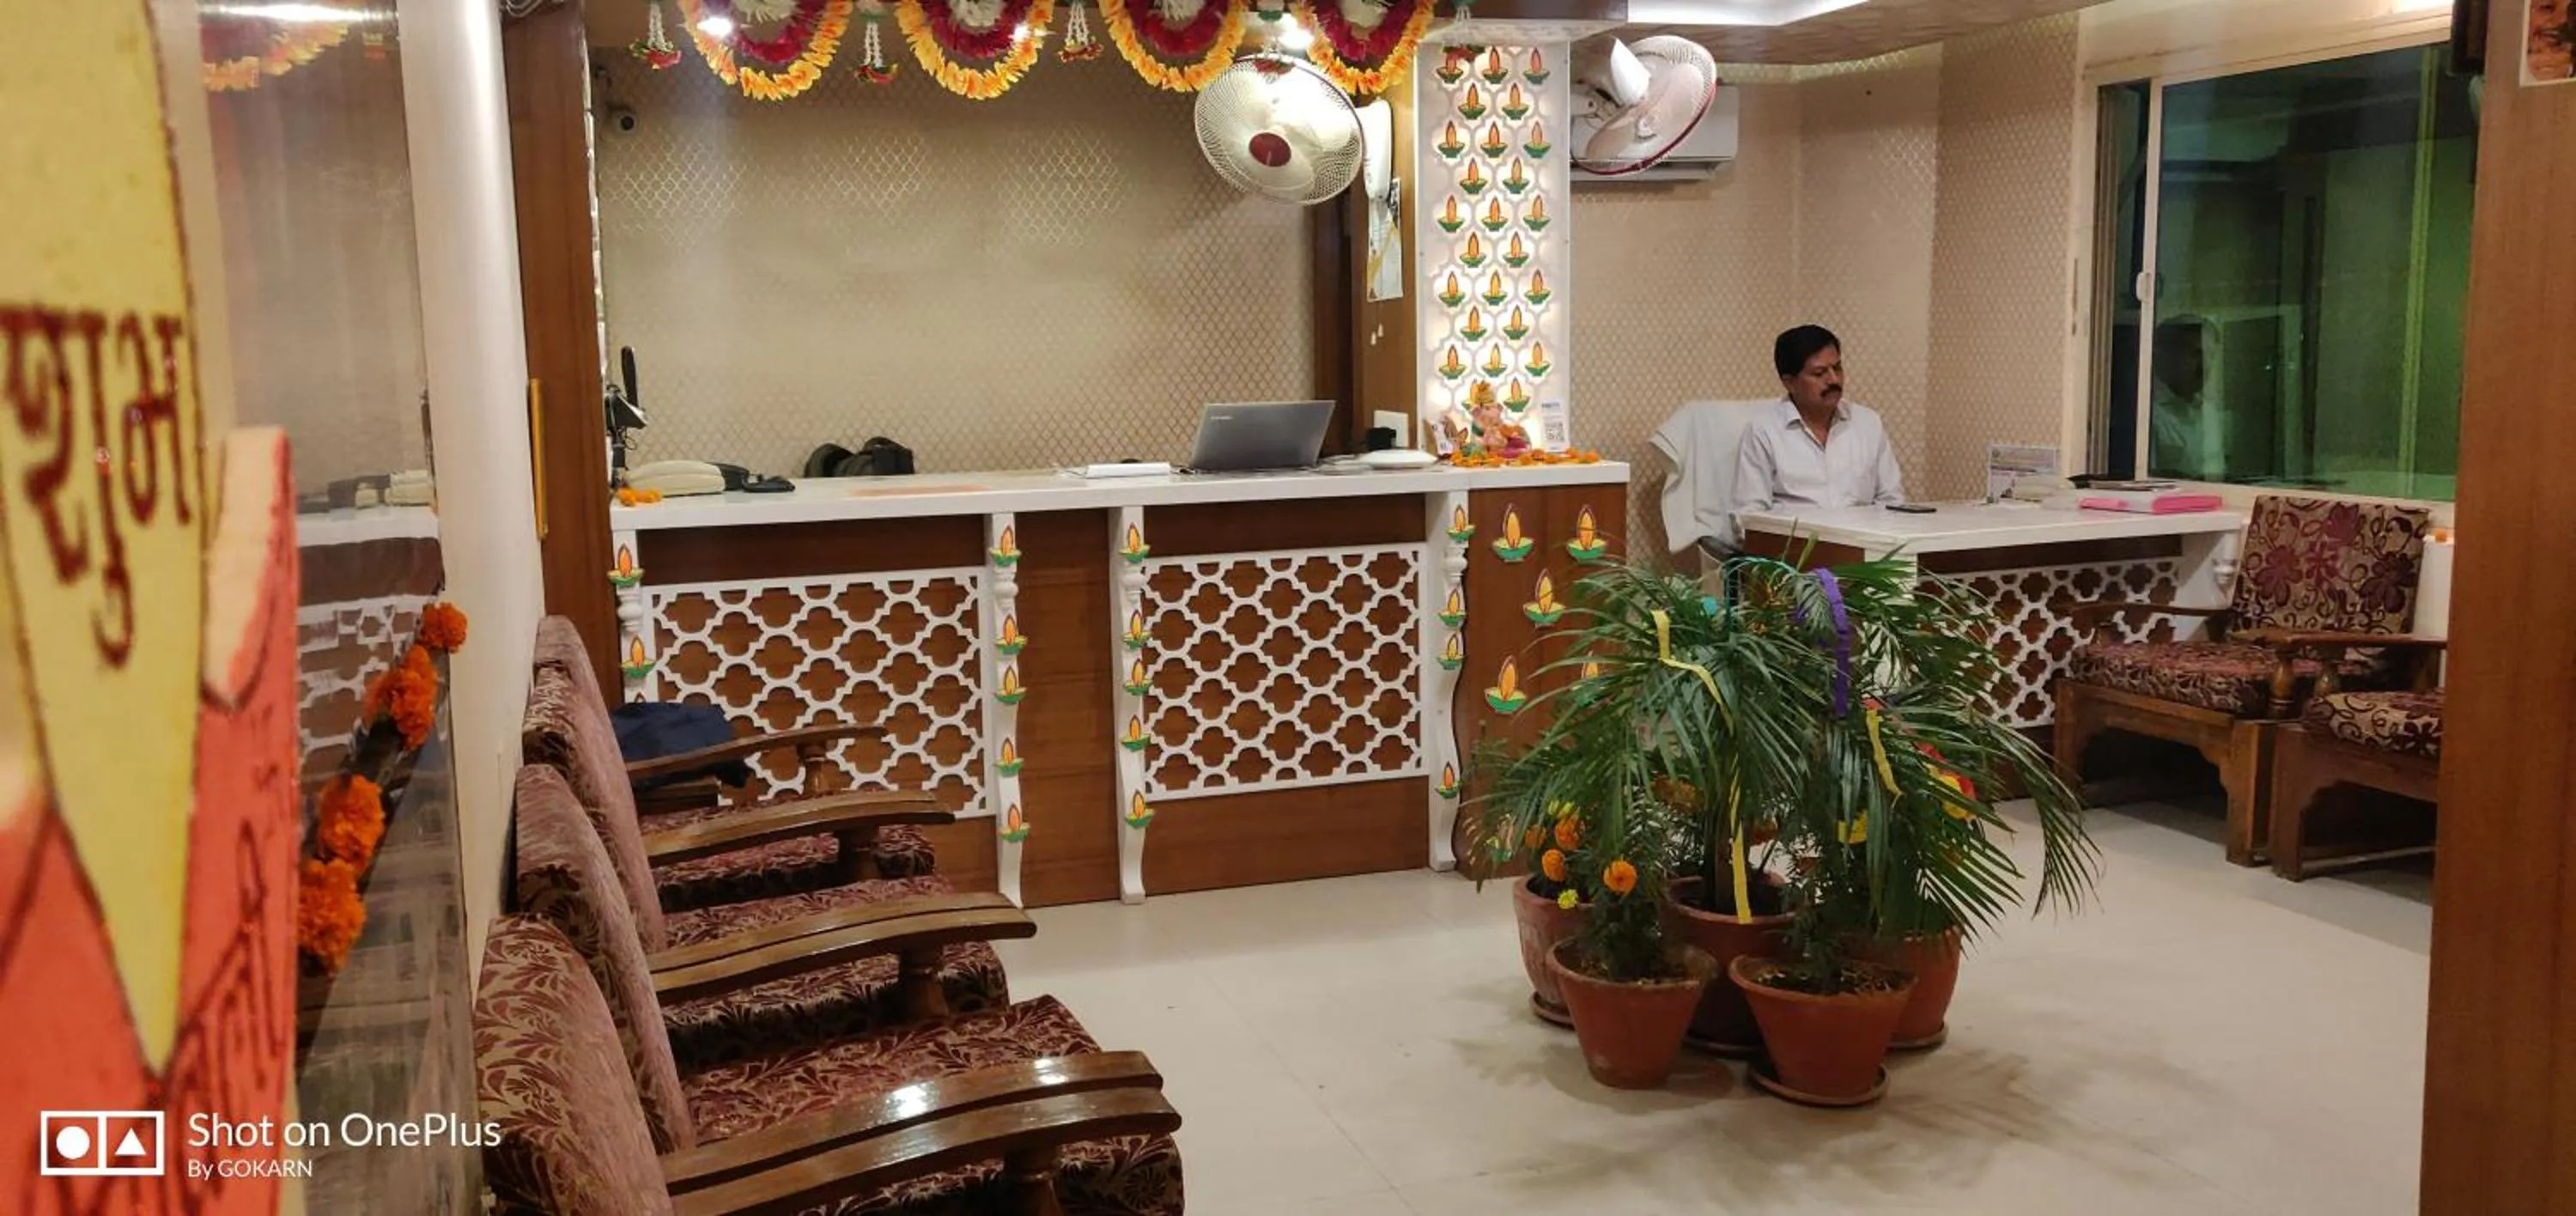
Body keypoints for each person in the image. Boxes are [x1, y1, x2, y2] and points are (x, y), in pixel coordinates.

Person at [1731, 325, 1906, 514]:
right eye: (1819, 373)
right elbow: (1749, 515)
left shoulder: (1868, 423)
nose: (1834, 380)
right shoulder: (1764, 431)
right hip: (1797, 541)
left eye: (1837, 368)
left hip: (1862, 540)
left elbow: (1892, 502)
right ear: (1789, 382)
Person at [2148, 316, 2221, 480]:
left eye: (2210, 355)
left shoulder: (2209, 413)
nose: (2204, 365)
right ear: (2165, 355)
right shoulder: (2145, 411)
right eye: (2195, 354)